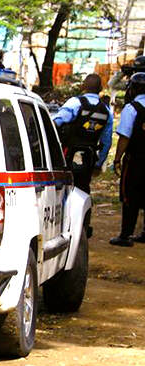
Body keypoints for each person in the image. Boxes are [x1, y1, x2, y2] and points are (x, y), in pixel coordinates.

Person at [51, 73, 112, 195]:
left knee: (63, 188)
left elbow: (56, 123)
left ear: (83, 86)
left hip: (67, 154)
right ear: (100, 89)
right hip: (88, 158)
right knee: (83, 188)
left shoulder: (74, 103)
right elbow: (106, 141)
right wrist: (98, 164)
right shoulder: (106, 111)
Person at [110, 72, 145, 247]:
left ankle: (125, 235)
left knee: (129, 195)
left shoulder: (132, 108)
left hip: (136, 160)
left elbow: (124, 137)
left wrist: (117, 159)